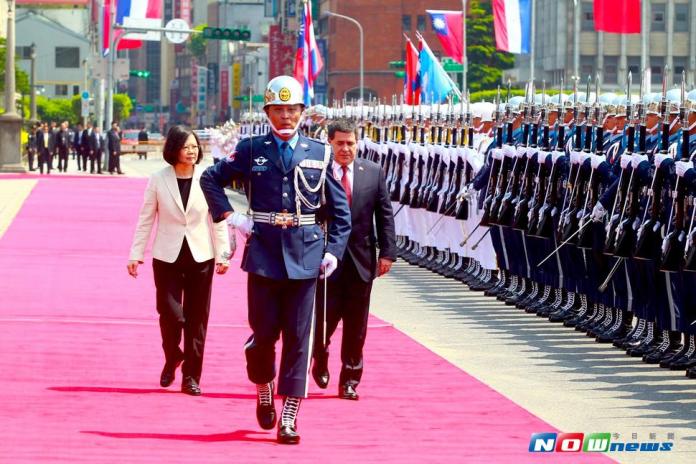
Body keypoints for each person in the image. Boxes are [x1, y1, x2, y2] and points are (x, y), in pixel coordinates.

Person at [200, 75, 351, 445]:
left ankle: (289, 417)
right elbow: (210, 180)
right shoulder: (252, 149)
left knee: (300, 341)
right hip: (265, 254)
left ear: (302, 112)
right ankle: (264, 387)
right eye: (279, 110)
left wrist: (333, 252)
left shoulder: (320, 152)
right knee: (264, 337)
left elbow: (341, 212)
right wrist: (230, 217)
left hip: (306, 255)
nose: (286, 116)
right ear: (268, 112)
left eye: (292, 109)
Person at [127, 125, 231, 396]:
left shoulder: (208, 178)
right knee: (170, 314)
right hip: (166, 256)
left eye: (195, 146)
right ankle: (173, 355)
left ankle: (191, 377)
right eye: (187, 147)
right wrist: (136, 254)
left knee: (198, 319)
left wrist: (223, 254)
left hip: (201, 257)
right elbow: (146, 218)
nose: (192, 151)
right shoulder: (158, 179)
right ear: (174, 149)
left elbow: (218, 218)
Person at [311, 119, 397, 400]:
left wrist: (387, 253)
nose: (346, 149)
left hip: (362, 260)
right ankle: (320, 358)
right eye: (340, 143)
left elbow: (384, 215)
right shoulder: (318, 174)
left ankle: (349, 379)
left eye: (350, 143)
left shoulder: (372, 172)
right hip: (327, 260)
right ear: (330, 143)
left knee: (357, 325)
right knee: (325, 319)